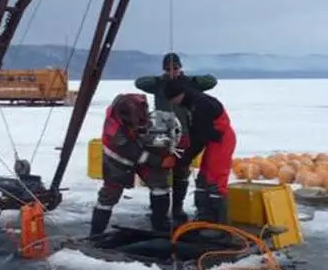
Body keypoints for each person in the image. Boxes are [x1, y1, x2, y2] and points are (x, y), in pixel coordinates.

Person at [134, 52, 217, 225]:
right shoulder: (159, 85)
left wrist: (191, 81)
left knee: (181, 172)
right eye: (168, 69)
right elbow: (139, 82)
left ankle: (177, 208)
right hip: (161, 136)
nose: (172, 72)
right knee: (159, 173)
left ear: (181, 68)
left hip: (184, 135)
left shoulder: (188, 84)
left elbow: (212, 81)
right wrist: (160, 80)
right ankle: (158, 209)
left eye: (175, 68)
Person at [90, 93, 178, 237]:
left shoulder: (139, 109)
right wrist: (160, 161)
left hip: (142, 151)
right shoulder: (113, 131)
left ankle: (160, 223)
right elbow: (133, 153)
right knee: (110, 194)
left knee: (160, 184)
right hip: (118, 160)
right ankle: (96, 232)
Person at [162, 79, 236, 225]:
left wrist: (185, 159)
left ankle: (219, 225)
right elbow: (195, 134)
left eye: (173, 99)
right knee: (203, 179)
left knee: (214, 181)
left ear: (179, 94)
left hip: (221, 140)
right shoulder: (191, 103)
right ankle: (204, 218)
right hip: (212, 140)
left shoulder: (201, 105)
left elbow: (199, 138)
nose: (174, 103)